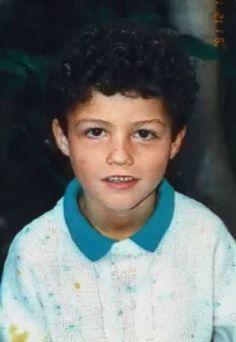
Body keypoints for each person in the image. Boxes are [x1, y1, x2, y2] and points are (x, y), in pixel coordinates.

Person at [0, 22, 235, 342]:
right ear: (63, 137)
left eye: (144, 134)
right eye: (96, 132)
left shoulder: (207, 240)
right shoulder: (34, 253)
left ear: (175, 142)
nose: (120, 156)